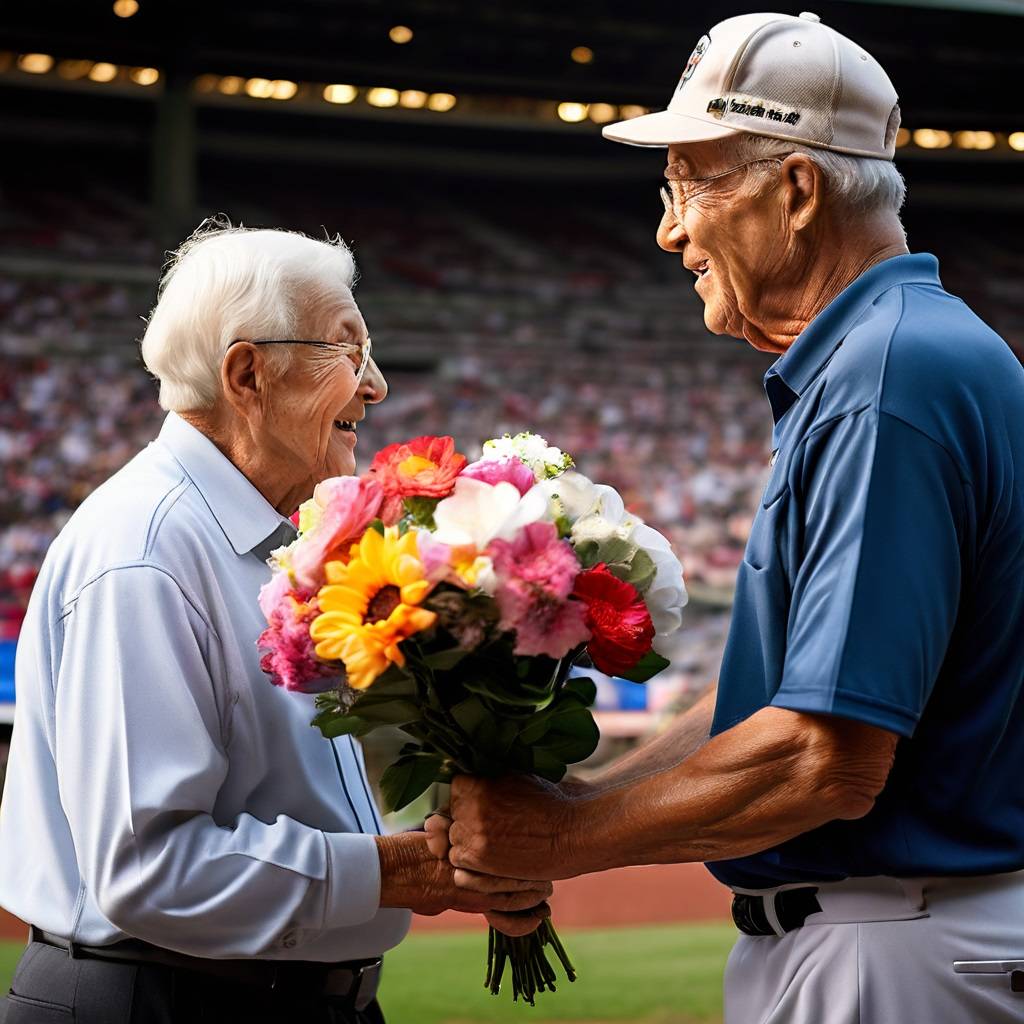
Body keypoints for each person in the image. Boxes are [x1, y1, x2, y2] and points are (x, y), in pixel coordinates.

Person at [433, 12, 1024, 1023]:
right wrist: (574, 804)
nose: (669, 229)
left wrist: (565, 840)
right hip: (890, 935)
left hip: (895, 949)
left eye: (692, 183)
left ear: (796, 190)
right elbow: (773, 709)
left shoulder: (887, 377)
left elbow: (825, 757)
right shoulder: (892, 352)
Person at [0, 223, 551, 1024]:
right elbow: (147, 870)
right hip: (160, 1003)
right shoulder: (146, 549)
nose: (378, 386)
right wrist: (409, 870)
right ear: (247, 373)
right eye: (348, 349)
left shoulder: (273, 540)